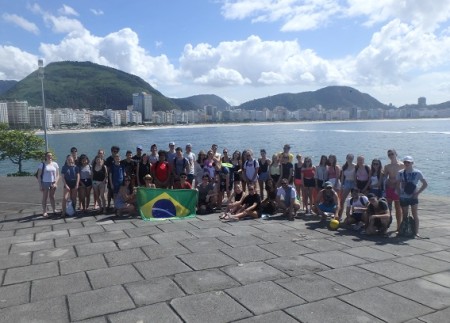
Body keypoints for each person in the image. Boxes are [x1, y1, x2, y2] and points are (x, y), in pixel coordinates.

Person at [396, 156, 428, 237]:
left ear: (412, 163)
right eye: (405, 162)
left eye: (408, 162)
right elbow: (397, 184)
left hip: (413, 197)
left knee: (415, 214)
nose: (406, 164)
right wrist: (399, 193)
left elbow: (425, 184)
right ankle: (404, 229)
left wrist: (417, 193)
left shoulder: (417, 172)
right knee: (404, 214)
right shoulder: (400, 172)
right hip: (404, 197)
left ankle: (416, 232)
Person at [383, 149, 404, 231]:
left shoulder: (401, 165)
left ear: (396, 154)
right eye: (389, 154)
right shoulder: (387, 166)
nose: (391, 155)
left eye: (392, 154)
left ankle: (399, 227)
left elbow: (404, 177)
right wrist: (387, 181)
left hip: (398, 189)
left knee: (398, 208)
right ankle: (386, 225)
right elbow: (384, 177)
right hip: (389, 188)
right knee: (388, 208)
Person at [37, 152, 60, 217]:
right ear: (45, 157)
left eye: (51, 156)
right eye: (48, 156)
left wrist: (56, 183)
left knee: (52, 196)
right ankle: (44, 211)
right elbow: (39, 176)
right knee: (45, 197)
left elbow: (58, 175)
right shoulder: (43, 164)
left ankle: (54, 209)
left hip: (53, 182)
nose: (50, 157)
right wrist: (40, 185)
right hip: (45, 182)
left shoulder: (55, 164)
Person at [339, 153, 356, 218]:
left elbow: (356, 175)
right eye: (349, 158)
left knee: (355, 199)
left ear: (353, 159)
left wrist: (356, 185)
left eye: (351, 158)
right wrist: (341, 185)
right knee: (342, 199)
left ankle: (354, 215)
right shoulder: (344, 166)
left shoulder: (355, 166)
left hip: (354, 183)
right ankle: (340, 215)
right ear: (346, 158)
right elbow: (342, 177)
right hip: (347, 183)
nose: (350, 159)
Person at [105, 146, 120, 210]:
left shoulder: (119, 158)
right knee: (110, 191)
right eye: (114, 151)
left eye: (116, 151)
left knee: (117, 192)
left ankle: (115, 204)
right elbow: (107, 170)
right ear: (111, 151)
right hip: (110, 177)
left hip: (117, 178)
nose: (115, 152)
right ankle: (108, 204)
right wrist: (107, 178)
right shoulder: (108, 159)